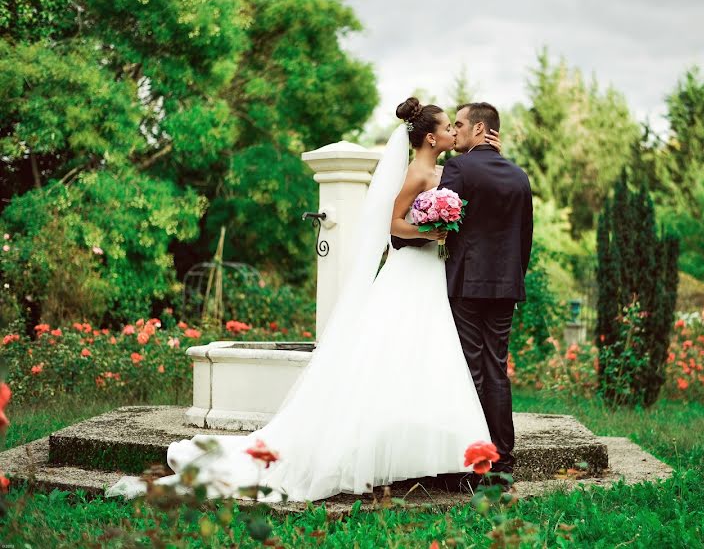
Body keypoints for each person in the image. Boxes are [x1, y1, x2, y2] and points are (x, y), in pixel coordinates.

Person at [106, 97, 503, 502]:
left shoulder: (443, 170)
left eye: (458, 127)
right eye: (449, 128)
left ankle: (428, 454)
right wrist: (430, 232)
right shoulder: (415, 174)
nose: (455, 133)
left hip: (431, 274)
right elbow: (394, 227)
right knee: (392, 352)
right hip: (411, 269)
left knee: (427, 356)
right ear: (432, 136)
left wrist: (449, 216)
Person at [394, 101, 533, 482]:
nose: (454, 131)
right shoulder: (520, 176)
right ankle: (503, 457)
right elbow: (525, 239)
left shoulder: (458, 167)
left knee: (470, 368)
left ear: (477, 130)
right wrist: (512, 280)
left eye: (459, 124)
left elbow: (448, 218)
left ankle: (471, 461)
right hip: (505, 286)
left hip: (467, 284)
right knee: (497, 369)